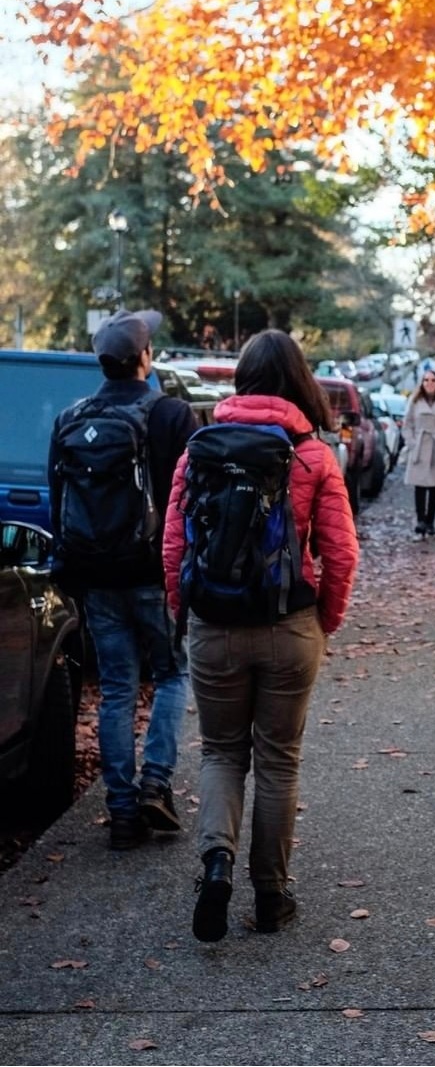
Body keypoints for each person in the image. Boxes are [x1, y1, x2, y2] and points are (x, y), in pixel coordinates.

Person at [162, 329, 359, 943]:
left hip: (215, 626)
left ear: (241, 380)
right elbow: (342, 554)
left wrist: (183, 614)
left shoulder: (199, 451)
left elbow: (173, 546)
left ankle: (216, 861)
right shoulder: (312, 456)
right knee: (279, 760)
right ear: (299, 380)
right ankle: (271, 897)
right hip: (288, 625)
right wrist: (323, 620)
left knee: (222, 751)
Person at [48, 309, 197, 850]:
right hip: (155, 573)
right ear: (144, 359)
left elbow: (58, 498)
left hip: (96, 576)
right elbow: (192, 499)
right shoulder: (171, 415)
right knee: (171, 675)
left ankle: (121, 810)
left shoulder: (69, 419)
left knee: (115, 687)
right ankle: (156, 780)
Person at [402, 368, 435, 537]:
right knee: (420, 485)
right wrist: (411, 443)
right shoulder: (415, 401)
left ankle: (431, 521)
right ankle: (420, 520)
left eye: (433, 380)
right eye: (426, 380)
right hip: (419, 446)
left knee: (434, 485)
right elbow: (407, 423)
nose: (429, 383)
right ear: (422, 383)